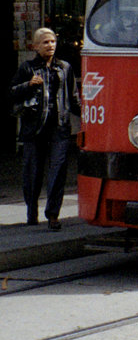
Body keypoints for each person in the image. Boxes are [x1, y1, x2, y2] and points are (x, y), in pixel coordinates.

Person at [8, 27, 81, 230]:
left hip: (59, 128)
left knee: (58, 171)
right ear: (36, 46)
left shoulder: (64, 68)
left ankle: (53, 215)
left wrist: (89, 118)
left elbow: (74, 99)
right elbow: (12, 93)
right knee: (33, 173)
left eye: (53, 42)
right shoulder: (27, 68)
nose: (50, 45)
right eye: (45, 42)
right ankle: (32, 212)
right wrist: (28, 85)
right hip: (34, 128)